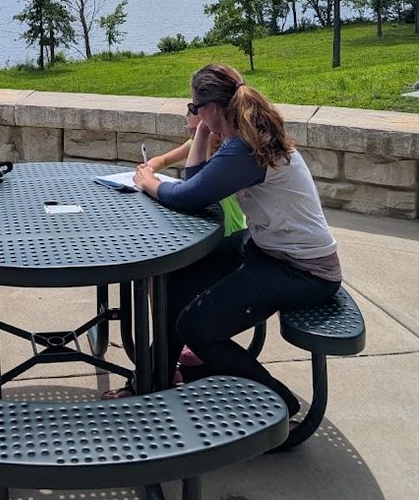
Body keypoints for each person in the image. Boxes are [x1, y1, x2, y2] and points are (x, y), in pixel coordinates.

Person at [133, 63, 341, 422]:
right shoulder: (242, 137)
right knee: (175, 280)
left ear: (212, 108)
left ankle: (280, 407)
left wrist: (148, 181)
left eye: (195, 108)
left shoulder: (245, 147)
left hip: (303, 270)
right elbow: (201, 184)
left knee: (196, 327)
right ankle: (157, 380)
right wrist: (200, 133)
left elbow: (189, 196)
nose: (193, 114)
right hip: (266, 248)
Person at [102, 110, 246, 399]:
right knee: (163, 275)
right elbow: (166, 160)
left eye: (196, 129)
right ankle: (167, 347)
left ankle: (165, 357)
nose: (191, 134)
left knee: (169, 274)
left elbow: (193, 194)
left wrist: (152, 183)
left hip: (224, 237)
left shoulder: (225, 157)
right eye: (189, 130)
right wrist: (149, 167)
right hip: (208, 233)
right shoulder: (198, 142)